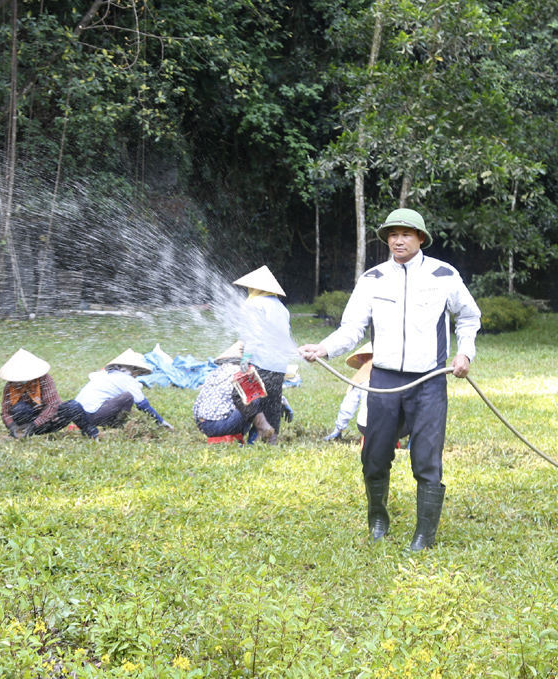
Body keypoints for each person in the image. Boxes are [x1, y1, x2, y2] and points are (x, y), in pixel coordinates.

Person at [299, 208, 481, 550]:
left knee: (427, 459)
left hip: (429, 381)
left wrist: (464, 353)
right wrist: (323, 348)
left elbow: (469, 318)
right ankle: (378, 516)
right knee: (375, 456)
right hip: (382, 380)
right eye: (393, 235)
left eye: (406, 234)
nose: (398, 240)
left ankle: (424, 534)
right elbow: (351, 328)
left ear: (421, 239)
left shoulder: (444, 275)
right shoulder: (372, 278)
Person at [230, 265, 294, 444]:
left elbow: (254, 331)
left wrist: (246, 356)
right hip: (279, 364)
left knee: (240, 394)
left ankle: (261, 426)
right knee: (271, 404)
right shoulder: (282, 308)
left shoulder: (254, 303)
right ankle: (271, 441)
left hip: (261, 360)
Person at [0, 349, 99, 440]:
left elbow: (52, 406)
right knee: (19, 408)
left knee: (73, 406)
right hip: (29, 422)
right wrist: (12, 426)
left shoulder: (44, 380)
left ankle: (92, 434)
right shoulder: (10, 386)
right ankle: (24, 433)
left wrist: (35, 424)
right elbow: (5, 412)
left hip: (53, 420)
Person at [74, 349, 175, 431]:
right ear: (133, 370)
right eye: (137, 373)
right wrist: (160, 421)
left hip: (79, 416)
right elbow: (142, 404)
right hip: (92, 415)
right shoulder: (126, 379)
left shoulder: (107, 375)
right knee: (127, 397)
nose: (136, 376)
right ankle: (116, 425)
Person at [193, 341, 251, 439]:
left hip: (204, 426)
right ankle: (254, 439)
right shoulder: (241, 374)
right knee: (257, 399)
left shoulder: (214, 372)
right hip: (221, 427)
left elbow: (196, 406)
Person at [324, 343, 373, 440]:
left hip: (366, 427)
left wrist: (338, 429)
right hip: (401, 429)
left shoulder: (360, 379)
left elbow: (348, 406)